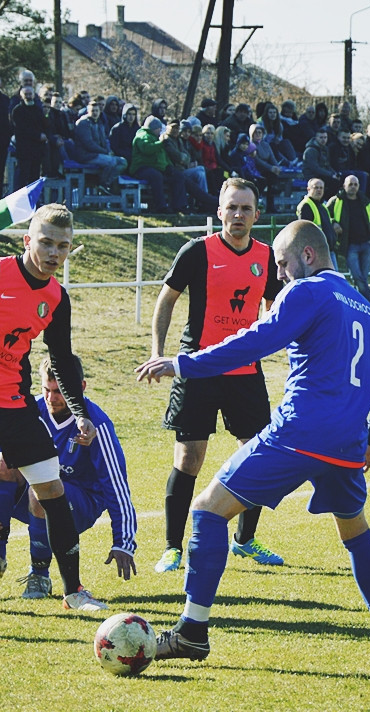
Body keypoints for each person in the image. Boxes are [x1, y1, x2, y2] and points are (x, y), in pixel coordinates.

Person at [136, 220, 370, 660]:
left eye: (282, 264)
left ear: (308, 255)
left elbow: (256, 341)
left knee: (207, 510)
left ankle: (192, 631)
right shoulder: (367, 308)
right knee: (356, 534)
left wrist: (184, 364)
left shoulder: (306, 291)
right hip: (347, 445)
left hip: (299, 433)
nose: (278, 275)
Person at [150, 178, 285, 574]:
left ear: (256, 215)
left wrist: (268, 339)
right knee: (189, 457)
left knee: (257, 454)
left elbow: (275, 306)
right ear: (220, 211)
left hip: (245, 371)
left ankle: (245, 540)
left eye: (246, 208)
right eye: (232, 207)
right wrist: (158, 352)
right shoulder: (197, 251)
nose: (238, 215)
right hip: (198, 368)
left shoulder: (267, 257)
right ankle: (172, 548)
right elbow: (166, 299)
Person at [0, 204, 106, 610]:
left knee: (52, 491)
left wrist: (80, 412)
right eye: (46, 242)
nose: (53, 253)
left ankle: (73, 592)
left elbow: (60, 358)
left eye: (62, 246)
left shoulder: (57, 298)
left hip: (14, 405)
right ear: (28, 240)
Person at [1, 356, 137, 599]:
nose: (51, 398)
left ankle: (39, 576)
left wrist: (123, 542)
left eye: (59, 392)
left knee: (39, 491)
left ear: (80, 387)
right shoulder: (32, 412)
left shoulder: (96, 423)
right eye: (47, 389)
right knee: (3, 464)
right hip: (40, 490)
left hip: (82, 502)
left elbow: (116, 484)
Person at [327, 175, 370, 306]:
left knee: (363, 278)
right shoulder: (336, 201)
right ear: (344, 186)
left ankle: (361, 305)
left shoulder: (365, 201)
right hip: (350, 246)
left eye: (355, 184)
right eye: (350, 184)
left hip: (366, 244)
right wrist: (333, 223)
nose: (353, 187)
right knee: (357, 278)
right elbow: (325, 215)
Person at [130, 116, 187, 214]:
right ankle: (161, 206)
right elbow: (147, 149)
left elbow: (164, 157)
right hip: (141, 168)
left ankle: (179, 206)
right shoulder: (142, 136)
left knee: (178, 176)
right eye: (159, 129)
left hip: (155, 167)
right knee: (156, 176)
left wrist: (168, 166)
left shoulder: (156, 138)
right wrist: (161, 143)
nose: (160, 131)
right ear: (154, 128)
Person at [296, 178, 339, 268]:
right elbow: (305, 231)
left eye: (321, 188)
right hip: (317, 252)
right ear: (308, 189)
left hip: (328, 249)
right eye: (316, 187)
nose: (319, 190)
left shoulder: (322, 205)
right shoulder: (306, 205)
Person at [10, 86, 47, 189]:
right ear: (21, 96)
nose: (28, 96)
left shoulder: (38, 110)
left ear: (34, 95)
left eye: (30, 94)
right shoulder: (17, 110)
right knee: (22, 178)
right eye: (26, 94)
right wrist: (38, 136)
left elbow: (43, 126)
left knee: (34, 178)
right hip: (24, 151)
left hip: (37, 150)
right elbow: (21, 130)